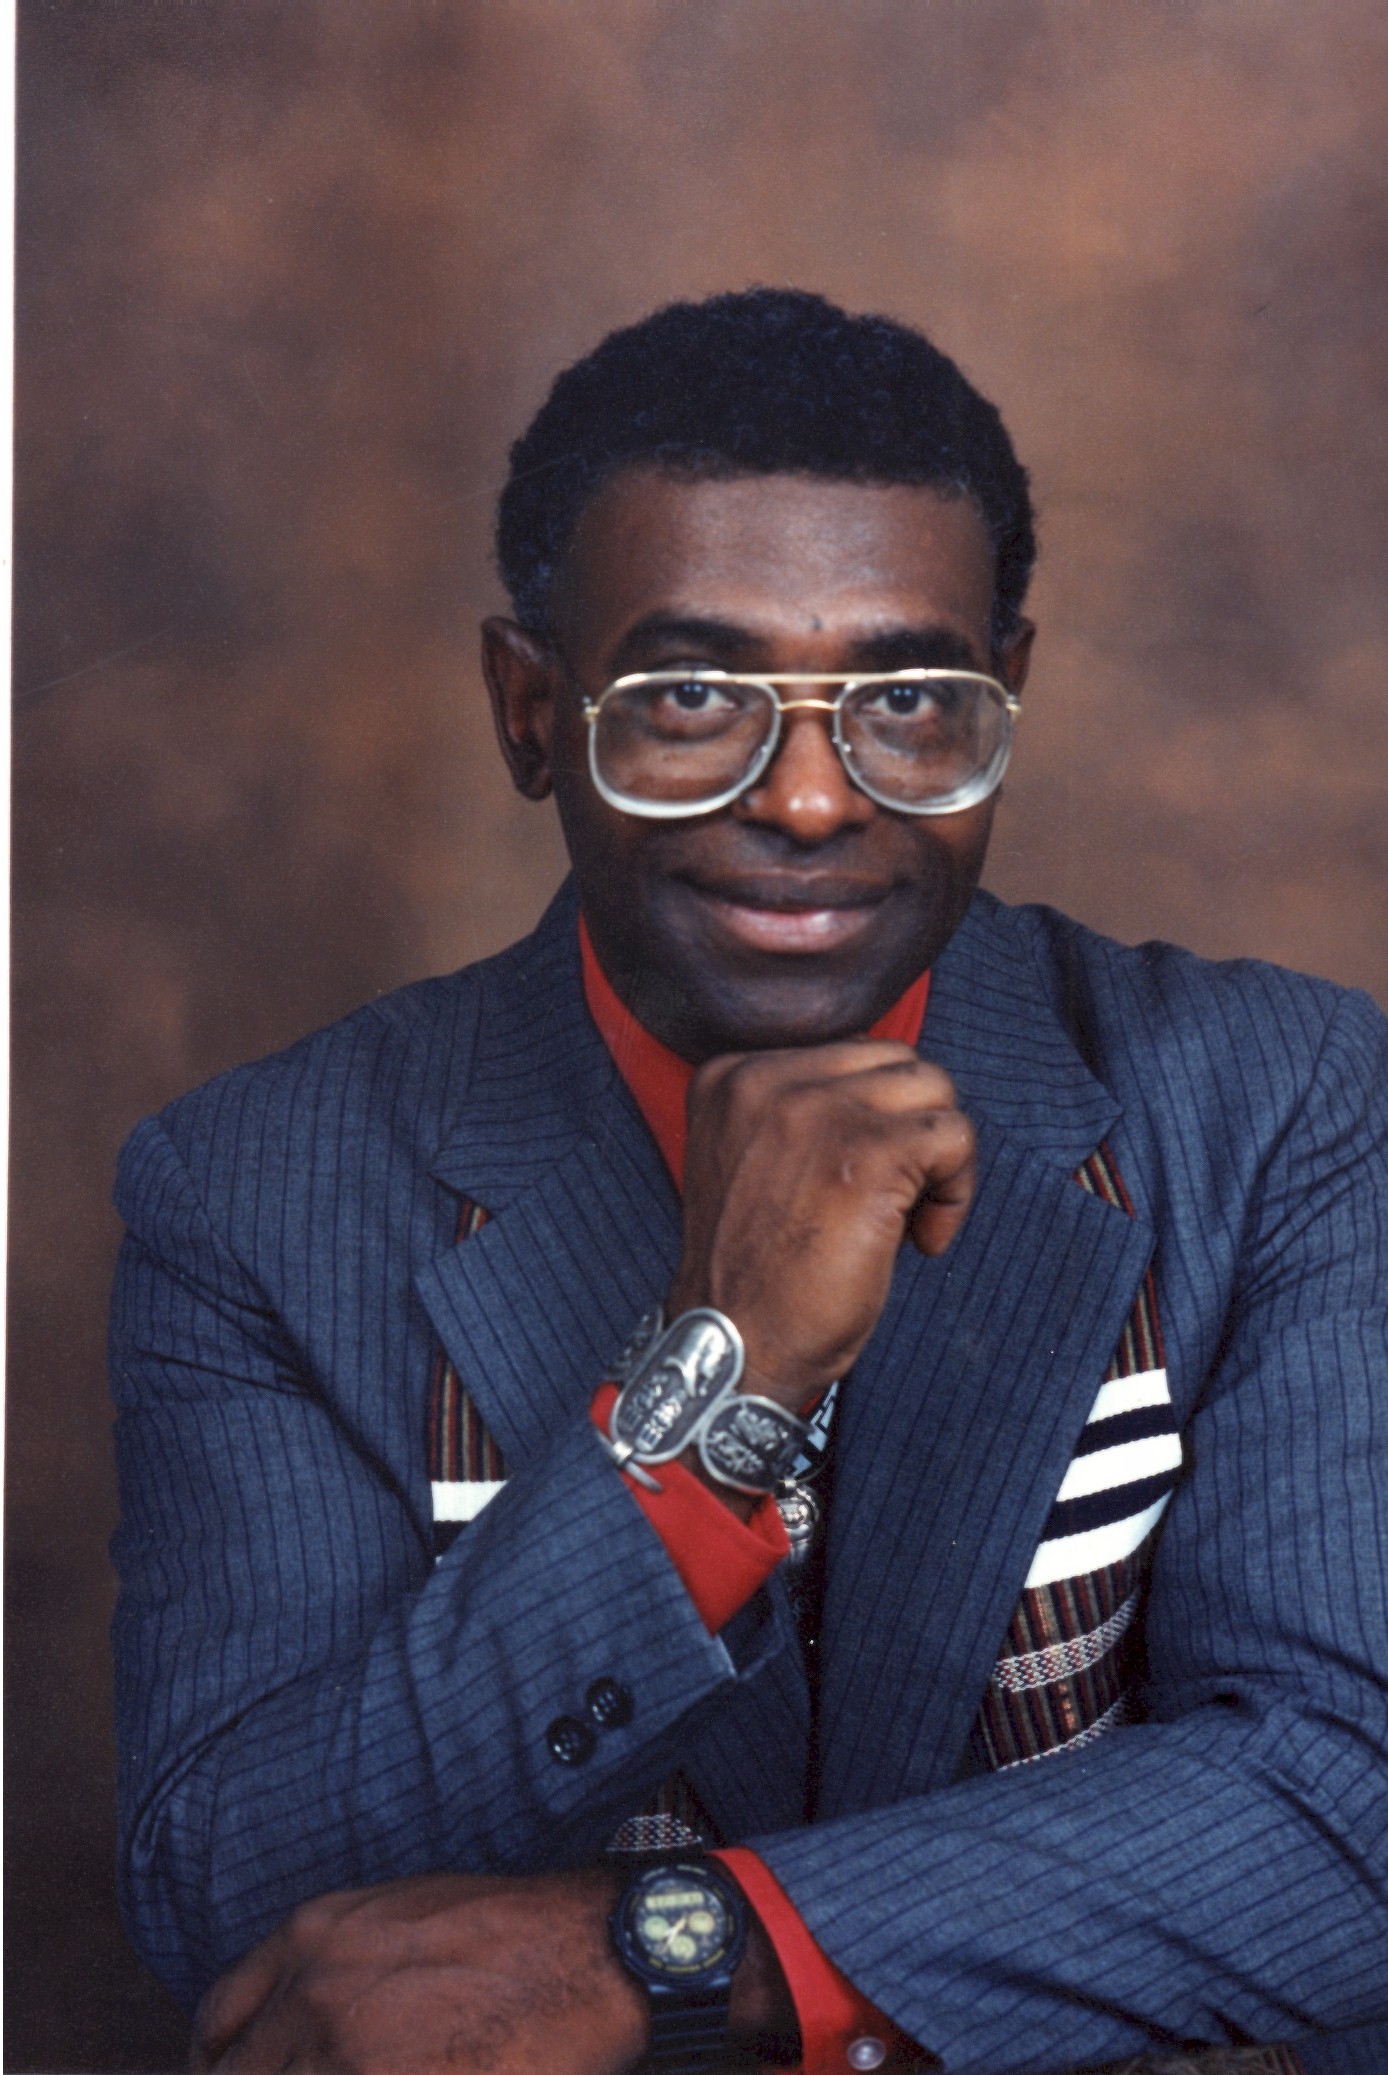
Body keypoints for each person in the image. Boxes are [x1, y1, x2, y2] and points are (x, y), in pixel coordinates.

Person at [109, 290, 1388, 2075]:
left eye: (908, 700)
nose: (807, 800)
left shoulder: (1279, 1102)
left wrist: (668, 1954)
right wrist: (717, 1382)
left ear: (1005, 697)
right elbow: (241, 1902)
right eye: (695, 696)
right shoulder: (255, 1194)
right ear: (530, 710)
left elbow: (1349, 1808)